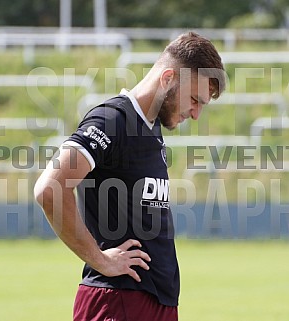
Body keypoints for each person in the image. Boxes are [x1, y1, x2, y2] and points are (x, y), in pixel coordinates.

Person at [34, 31, 226, 321]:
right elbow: (50, 188)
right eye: (194, 99)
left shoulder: (151, 128)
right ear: (168, 78)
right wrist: (101, 261)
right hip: (117, 302)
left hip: (155, 303)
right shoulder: (112, 121)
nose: (196, 114)